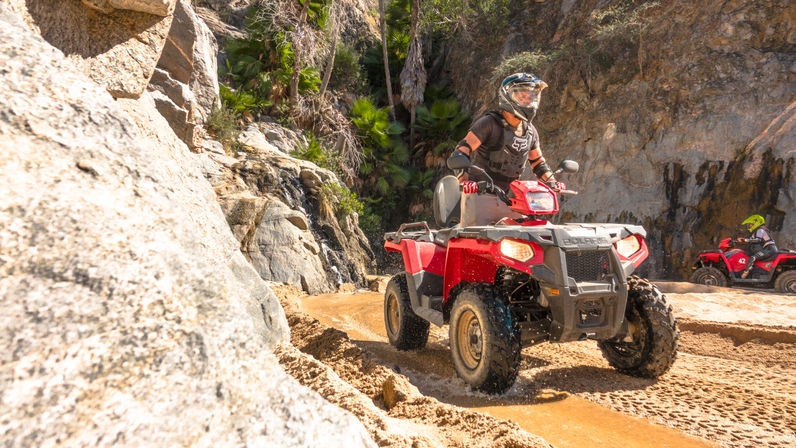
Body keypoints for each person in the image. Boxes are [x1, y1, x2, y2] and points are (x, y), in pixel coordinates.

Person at [447, 73, 564, 226]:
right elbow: (461, 151)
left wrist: (553, 183)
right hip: (481, 196)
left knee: (523, 243)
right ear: (507, 96)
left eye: (531, 97)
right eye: (522, 97)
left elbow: (538, 163)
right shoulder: (489, 123)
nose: (527, 101)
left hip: (514, 198)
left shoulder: (530, 131)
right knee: (479, 241)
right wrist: (465, 180)